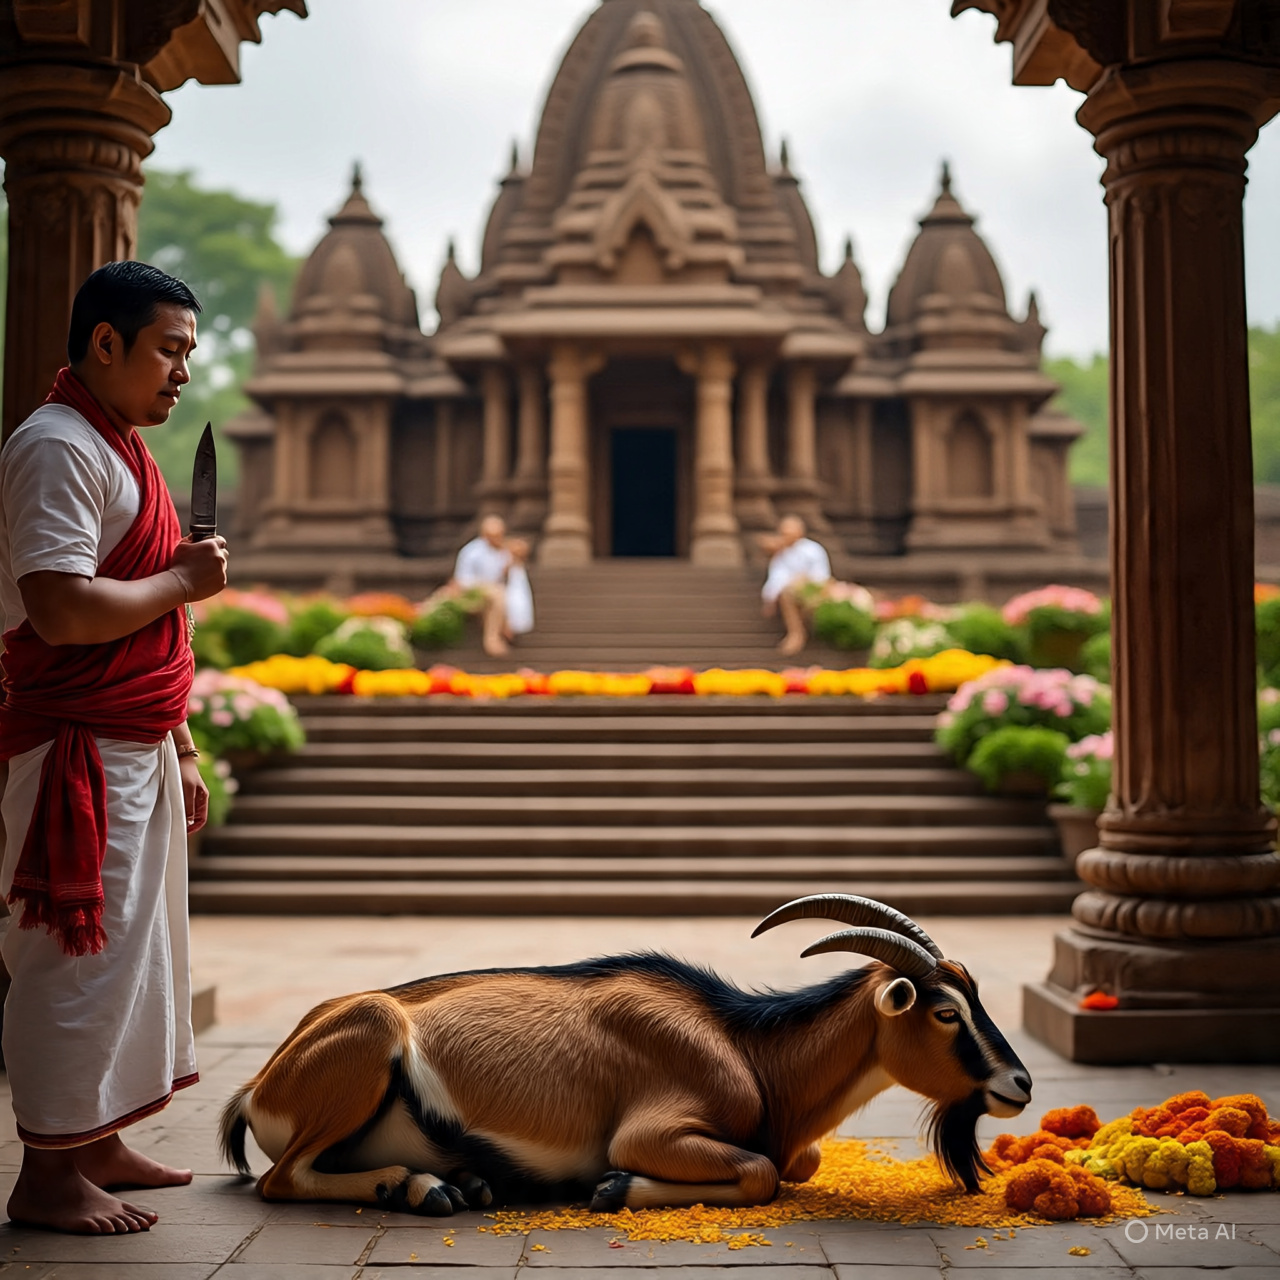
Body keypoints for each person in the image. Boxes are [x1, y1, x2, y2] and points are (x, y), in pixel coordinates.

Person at [0, 261, 229, 1234]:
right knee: (73, 956)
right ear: (106, 343)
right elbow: (58, 606)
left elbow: (146, 635)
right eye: (169, 349)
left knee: (137, 956)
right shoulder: (57, 446)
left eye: (187, 352)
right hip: (73, 751)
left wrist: (179, 744)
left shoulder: (120, 445)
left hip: (131, 739)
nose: (183, 372)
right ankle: (46, 1172)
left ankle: (91, 1138)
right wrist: (184, 582)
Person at [451, 515, 533, 657]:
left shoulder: (503, 551)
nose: (498, 539)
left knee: (505, 595)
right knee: (497, 595)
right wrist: (484, 587)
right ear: (485, 535)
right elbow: (462, 579)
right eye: (494, 536)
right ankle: (491, 639)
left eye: (500, 535)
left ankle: (509, 626)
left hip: (496, 590)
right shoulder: (471, 552)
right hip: (473, 590)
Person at [760, 514, 831, 657]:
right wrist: (769, 598)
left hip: (814, 589)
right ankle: (796, 633)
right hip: (790, 594)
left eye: (789, 533)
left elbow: (821, 577)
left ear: (799, 533)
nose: (785, 537)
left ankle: (802, 633)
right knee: (786, 592)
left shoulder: (812, 550)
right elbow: (776, 577)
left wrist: (802, 583)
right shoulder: (781, 553)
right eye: (783, 533)